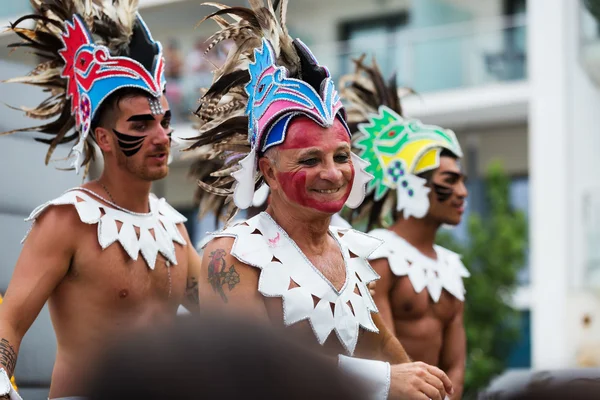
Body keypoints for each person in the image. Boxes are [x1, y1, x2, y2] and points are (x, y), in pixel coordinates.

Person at [189, 1, 454, 399]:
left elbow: (381, 346)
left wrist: (423, 385)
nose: (332, 174)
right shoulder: (231, 255)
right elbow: (246, 362)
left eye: (342, 156)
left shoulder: (349, 252)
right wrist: (383, 383)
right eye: (310, 159)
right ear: (270, 172)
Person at [0, 3, 201, 399]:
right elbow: (9, 321)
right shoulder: (68, 220)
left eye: (163, 121)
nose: (162, 137)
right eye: (140, 125)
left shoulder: (173, 228)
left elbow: (227, 315)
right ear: (105, 139)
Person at [340, 56, 469, 399]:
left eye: (462, 181)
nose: (462, 192)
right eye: (449, 181)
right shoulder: (378, 253)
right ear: (412, 185)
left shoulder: (451, 268)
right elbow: (380, 351)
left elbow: (455, 365)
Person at [88, 313, 368, 400]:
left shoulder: (172, 228)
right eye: (307, 167)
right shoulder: (235, 249)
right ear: (267, 173)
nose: (331, 173)